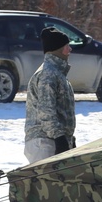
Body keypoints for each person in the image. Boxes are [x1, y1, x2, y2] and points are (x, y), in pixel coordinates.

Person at [24, 26, 76, 163]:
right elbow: (46, 112)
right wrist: (59, 138)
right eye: (67, 46)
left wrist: (69, 139)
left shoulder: (56, 74)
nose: (70, 49)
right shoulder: (48, 75)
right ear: (58, 49)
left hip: (51, 140)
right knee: (43, 184)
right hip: (44, 143)